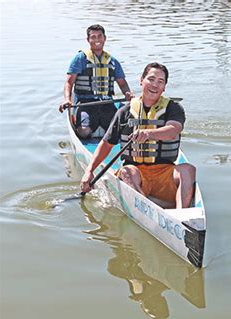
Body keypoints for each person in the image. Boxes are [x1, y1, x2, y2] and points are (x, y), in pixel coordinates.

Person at [80, 62, 196, 209]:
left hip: (165, 172)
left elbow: (173, 130)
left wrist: (149, 133)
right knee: (127, 172)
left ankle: (183, 216)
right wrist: (89, 171)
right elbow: (106, 144)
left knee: (188, 170)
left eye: (160, 82)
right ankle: (145, 208)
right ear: (141, 80)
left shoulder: (174, 109)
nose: (155, 85)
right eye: (151, 79)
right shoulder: (124, 112)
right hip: (137, 173)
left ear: (164, 87)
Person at [58, 24, 133, 138]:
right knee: (84, 132)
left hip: (107, 103)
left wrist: (128, 94)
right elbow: (69, 82)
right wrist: (67, 99)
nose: (97, 39)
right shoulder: (80, 59)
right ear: (88, 40)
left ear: (105, 38)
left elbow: (122, 84)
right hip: (85, 103)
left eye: (100, 36)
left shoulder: (113, 61)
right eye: (93, 37)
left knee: (119, 132)